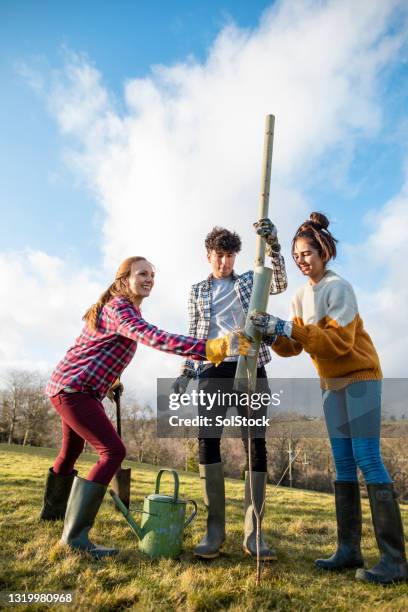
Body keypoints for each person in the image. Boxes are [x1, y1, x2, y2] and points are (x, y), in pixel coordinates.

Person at [40, 256, 253, 559]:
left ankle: (52, 515)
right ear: (123, 280)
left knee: (70, 453)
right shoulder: (119, 308)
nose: (149, 278)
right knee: (112, 452)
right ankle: (75, 537)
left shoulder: (123, 309)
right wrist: (209, 348)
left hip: (71, 387)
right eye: (142, 273)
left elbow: (95, 348)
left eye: (153, 274)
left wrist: (112, 381)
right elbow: (153, 337)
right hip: (74, 391)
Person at [249, 212, 408, 584]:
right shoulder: (300, 295)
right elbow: (293, 346)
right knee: (342, 464)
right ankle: (349, 550)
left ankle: (395, 560)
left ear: (323, 251)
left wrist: (289, 328)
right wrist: (272, 332)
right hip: (329, 384)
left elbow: (339, 344)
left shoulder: (340, 288)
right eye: (297, 255)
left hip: (360, 377)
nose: (302, 260)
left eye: (307, 253)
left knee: (367, 458)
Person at [173, 219, 288, 560]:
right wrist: (186, 371)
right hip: (213, 369)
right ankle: (214, 531)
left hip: (251, 365)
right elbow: (195, 335)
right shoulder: (197, 291)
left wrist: (274, 246)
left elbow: (279, 282)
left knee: (255, 442)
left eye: (230, 256)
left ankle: (255, 533)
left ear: (237, 256)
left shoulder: (251, 281)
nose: (224, 262)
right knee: (208, 440)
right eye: (218, 255)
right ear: (208, 255)